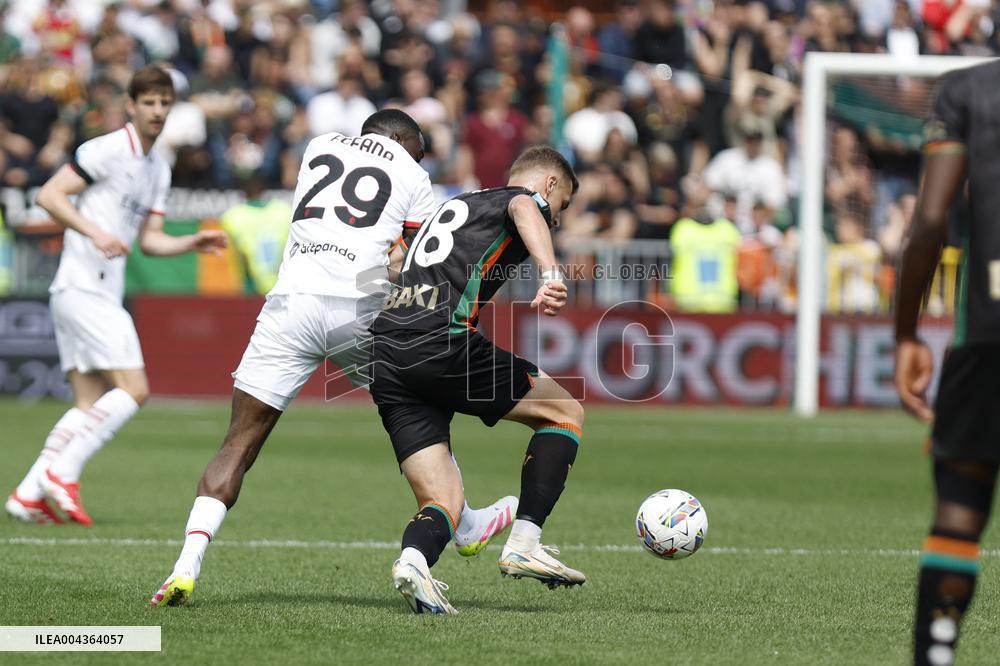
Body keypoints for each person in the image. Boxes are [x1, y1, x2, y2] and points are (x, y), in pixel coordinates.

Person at [150, 109, 516, 608]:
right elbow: (415, 259)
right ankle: (464, 521)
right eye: (417, 152)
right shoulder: (412, 175)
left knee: (237, 443)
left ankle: (185, 566)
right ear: (402, 141)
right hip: (359, 308)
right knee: (418, 405)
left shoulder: (319, 145)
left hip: (290, 306)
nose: (418, 161)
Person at [3, 66, 227, 525]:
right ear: (131, 105)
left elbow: (151, 241)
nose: (157, 111)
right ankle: (63, 472)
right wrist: (95, 232)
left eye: (164, 103)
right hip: (84, 285)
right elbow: (50, 195)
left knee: (88, 403)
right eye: (149, 102)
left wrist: (192, 242)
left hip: (90, 290)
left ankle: (27, 494)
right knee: (134, 390)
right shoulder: (107, 149)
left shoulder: (158, 167)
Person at [370, 145, 584, 615]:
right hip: (441, 340)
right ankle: (525, 542)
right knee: (564, 413)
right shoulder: (521, 198)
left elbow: (396, 263)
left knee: (444, 501)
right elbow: (525, 205)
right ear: (549, 184)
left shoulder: (456, 204)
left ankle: (413, 563)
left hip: (387, 353)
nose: (556, 219)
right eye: (561, 205)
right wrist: (551, 272)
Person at [893, 60, 1000, 666]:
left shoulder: (968, 90)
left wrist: (906, 333)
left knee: (960, 511)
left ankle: (935, 655)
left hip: (988, 330)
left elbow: (931, 220)